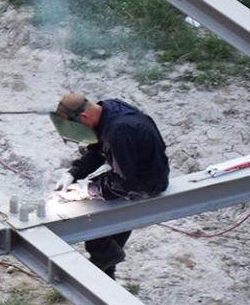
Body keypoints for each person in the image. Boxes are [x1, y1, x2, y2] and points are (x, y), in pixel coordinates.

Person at [53, 92, 170, 278]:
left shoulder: (119, 133)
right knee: (109, 227)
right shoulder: (108, 108)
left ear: (83, 117)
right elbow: (98, 151)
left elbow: (124, 183)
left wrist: (87, 190)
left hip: (145, 183)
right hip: (131, 172)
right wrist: (73, 173)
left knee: (94, 220)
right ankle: (107, 272)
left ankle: (106, 260)